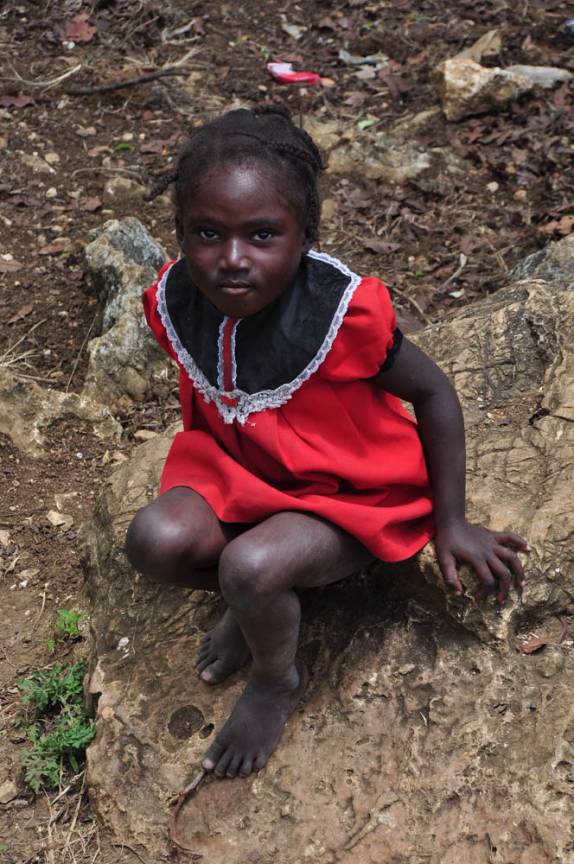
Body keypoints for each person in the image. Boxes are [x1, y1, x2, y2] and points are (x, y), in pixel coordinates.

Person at [125, 106, 527, 780]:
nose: (231, 259)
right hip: (244, 478)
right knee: (153, 542)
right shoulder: (179, 299)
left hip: (347, 496)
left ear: (304, 235)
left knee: (251, 568)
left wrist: (453, 522)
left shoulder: (336, 314)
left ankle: (276, 676)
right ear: (180, 235)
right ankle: (251, 604)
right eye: (206, 234)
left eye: (262, 235)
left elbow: (432, 393)